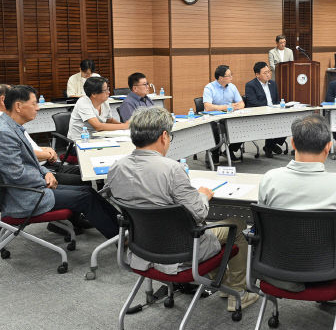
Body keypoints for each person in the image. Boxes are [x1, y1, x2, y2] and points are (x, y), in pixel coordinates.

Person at [102, 107, 258, 312]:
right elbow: (200, 213)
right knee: (236, 224)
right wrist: (203, 195)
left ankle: (224, 282)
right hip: (180, 252)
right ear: (164, 136)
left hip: (143, 249)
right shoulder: (171, 169)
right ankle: (237, 292)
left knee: (204, 228)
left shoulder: (116, 167)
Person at [258, 114, 336, 291]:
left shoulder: (269, 179)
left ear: (292, 143)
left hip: (278, 265)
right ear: (328, 147)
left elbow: (262, 225)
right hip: (325, 270)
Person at [0, 85, 119, 238]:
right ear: (18, 106)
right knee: (85, 198)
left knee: (88, 191)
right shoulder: (5, 133)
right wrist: (44, 178)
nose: (37, 108)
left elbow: (30, 162)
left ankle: (124, 228)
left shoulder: (13, 127)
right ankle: (121, 238)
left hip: (32, 188)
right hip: (24, 196)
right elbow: (16, 174)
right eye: (34, 103)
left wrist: (46, 172)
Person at [203, 65, 245, 162]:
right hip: (214, 119)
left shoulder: (232, 87)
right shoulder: (209, 88)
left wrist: (236, 106)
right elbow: (208, 107)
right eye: (229, 76)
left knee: (245, 126)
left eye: (231, 75)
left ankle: (230, 150)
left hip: (230, 117)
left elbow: (242, 104)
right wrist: (226, 107)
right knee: (215, 128)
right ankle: (214, 153)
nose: (231, 78)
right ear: (221, 78)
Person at [244, 62, 286, 158]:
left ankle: (270, 145)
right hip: (259, 115)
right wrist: (269, 108)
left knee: (286, 122)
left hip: (273, 113)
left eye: (269, 72)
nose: (268, 74)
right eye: (265, 73)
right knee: (273, 123)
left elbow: (276, 101)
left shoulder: (273, 84)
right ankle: (270, 146)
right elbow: (253, 102)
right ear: (257, 75)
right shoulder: (250, 85)